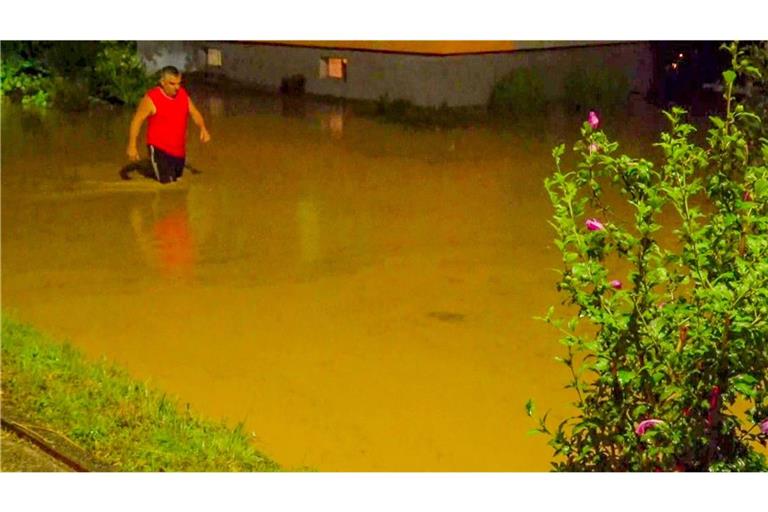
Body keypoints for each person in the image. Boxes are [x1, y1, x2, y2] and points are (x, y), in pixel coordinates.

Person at [126, 66, 210, 183]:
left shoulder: (183, 94)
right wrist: (132, 145)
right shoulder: (151, 98)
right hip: (159, 149)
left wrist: (203, 128)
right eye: (172, 84)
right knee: (167, 185)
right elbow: (137, 120)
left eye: (178, 83)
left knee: (178, 182)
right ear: (162, 82)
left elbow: (194, 112)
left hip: (179, 150)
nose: (176, 87)